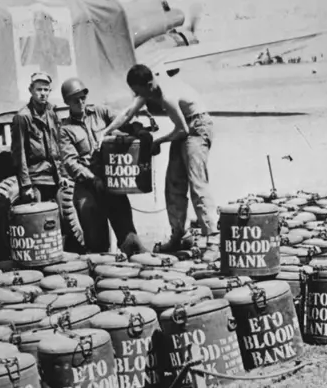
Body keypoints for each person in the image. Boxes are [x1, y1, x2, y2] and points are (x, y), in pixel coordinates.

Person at [100, 63, 219, 261]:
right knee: (173, 185)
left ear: (148, 85)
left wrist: (159, 141)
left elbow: (183, 130)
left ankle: (213, 240)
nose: (138, 96)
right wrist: (105, 132)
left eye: (139, 92)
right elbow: (127, 113)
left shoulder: (167, 96)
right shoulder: (149, 88)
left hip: (197, 126)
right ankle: (180, 236)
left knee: (197, 184)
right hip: (185, 128)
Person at [58, 77, 147, 256]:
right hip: (87, 188)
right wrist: (93, 179)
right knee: (97, 246)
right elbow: (70, 162)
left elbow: (125, 122)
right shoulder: (65, 129)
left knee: (130, 238)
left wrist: (140, 131)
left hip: (112, 182)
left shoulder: (100, 112)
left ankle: (139, 269)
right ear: (67, 102)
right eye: (75, 99)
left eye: (83, 97)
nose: (80, 102)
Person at [11, 72, 63, 204]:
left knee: (61, 217)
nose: (43, 93)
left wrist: (63, 174)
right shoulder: (23, 117)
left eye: (46, 90)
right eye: (39, 89)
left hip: (54, 177)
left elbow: (58, 144)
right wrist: (26, 185)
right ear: (31, 90)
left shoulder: (51, 113)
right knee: (38, 218)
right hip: (36, 179)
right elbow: (19, 153)